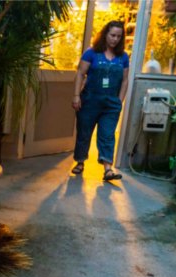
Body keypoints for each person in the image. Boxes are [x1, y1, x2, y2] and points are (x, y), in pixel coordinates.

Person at [71, 21, 129, 181]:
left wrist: (119, 101)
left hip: (111, 104)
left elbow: (125, 80)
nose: (115, 39)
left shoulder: (123, 57)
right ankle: (80, 162)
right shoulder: (91, 53)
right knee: (84, 132)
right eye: (112, 35)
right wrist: (76, 96)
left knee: (108, 134)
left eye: (118, 36)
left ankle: (108, 169)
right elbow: (80, 74)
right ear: (105, 34)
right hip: (89, 101)